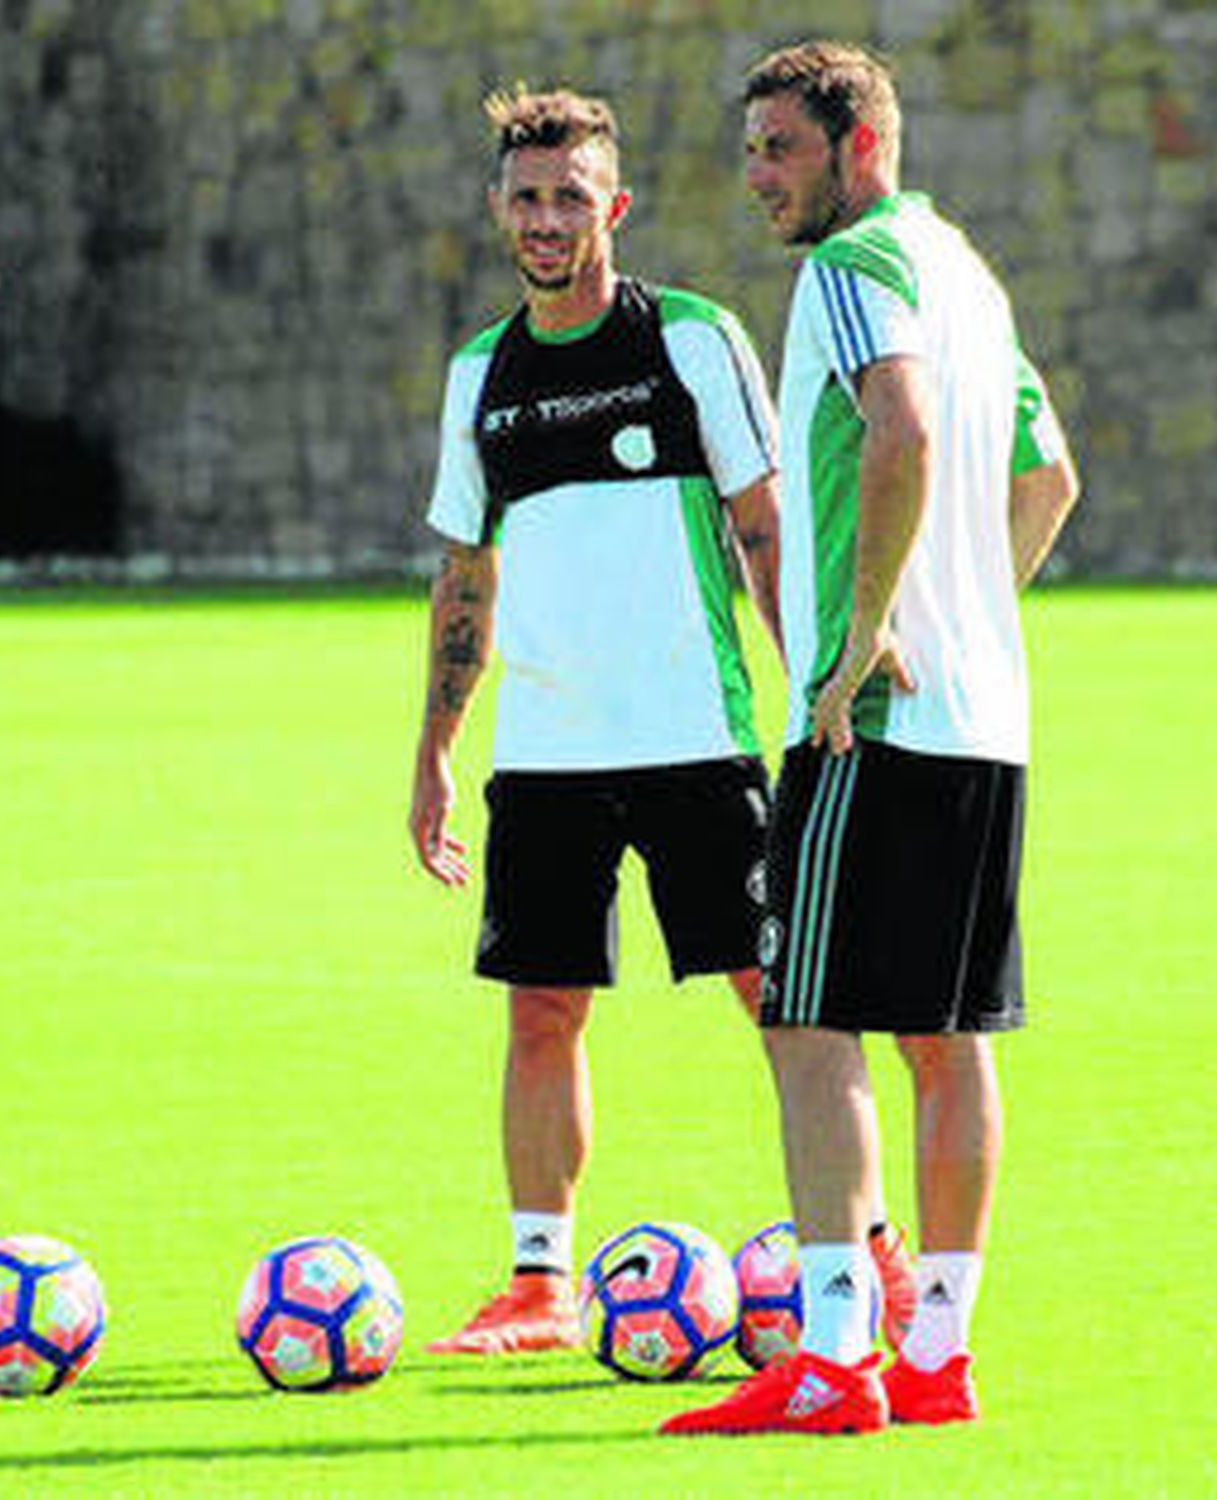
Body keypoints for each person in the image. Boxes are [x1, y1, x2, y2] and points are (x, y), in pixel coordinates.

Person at [408, 86, 915, 1357]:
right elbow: (465, 574)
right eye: (524, 197)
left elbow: (761, 528)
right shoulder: (479, 375)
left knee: (779, 998)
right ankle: (539, 1282)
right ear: (495, 210)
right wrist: (434, 748)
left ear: (613, 207)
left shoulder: (690, 338)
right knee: (541, 1010)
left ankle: (872, 1255)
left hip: (697, 736)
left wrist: (819, 690)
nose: (544, 218)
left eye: (569, 196)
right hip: (545, 752)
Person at [663, 42, 1080, 1436]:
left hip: (873, 723)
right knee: (947, 1039)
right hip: (985, 715)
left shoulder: (851, 272)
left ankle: (838, 1359)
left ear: (860, 145)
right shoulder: (967, 271)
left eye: (781, 149)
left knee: (806, 1020)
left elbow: (896, 433)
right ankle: (939, 1355)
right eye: (753, 153)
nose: (758, 180)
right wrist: (964, 610)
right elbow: (1050, 477)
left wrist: (858, 634)